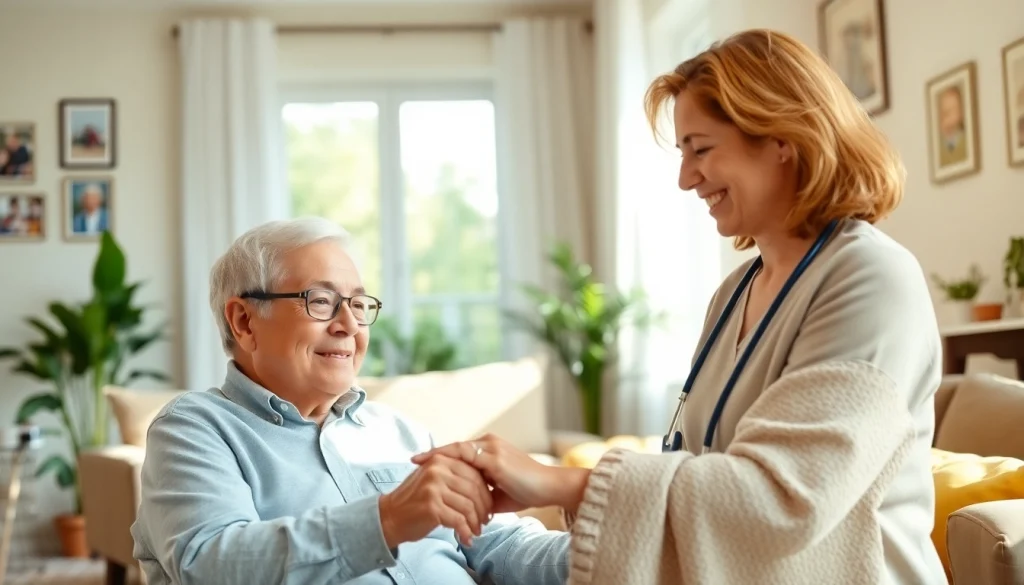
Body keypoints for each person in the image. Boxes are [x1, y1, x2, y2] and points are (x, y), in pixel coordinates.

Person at [415, 29, 949, 585]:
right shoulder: (734, 293)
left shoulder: (871, 279)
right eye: (682, 154)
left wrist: (556, 482)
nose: (686, 178)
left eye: (702, 149)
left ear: (782, 138)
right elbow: (697, 470)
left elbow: (785, 498)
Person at [130, 217, 570, 585]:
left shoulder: (400, 432)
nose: (349, 324)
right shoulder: (194, 430)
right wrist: (388, 519)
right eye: (320, 301)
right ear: (244, 321)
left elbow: (504, 548)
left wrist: (612, 541)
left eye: (358, 304)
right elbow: (210, 565)